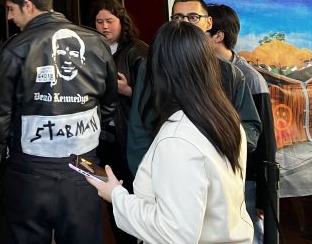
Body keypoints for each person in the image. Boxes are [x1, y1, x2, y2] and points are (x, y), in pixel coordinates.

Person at [87, 20, 254, 244]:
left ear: (158, 71)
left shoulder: (178, 139)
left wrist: (116, 196)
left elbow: (174, 234)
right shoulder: (224, 118)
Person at [0, 0, 117, 244]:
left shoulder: (13, 50)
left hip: (28, 173)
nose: (9, 17)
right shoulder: (97, 44)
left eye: (11, 10)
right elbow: (109, 105)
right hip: (85, 167)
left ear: (28, 6)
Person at [127, 0, 261, 174]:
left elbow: (250, 129)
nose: (185, 23)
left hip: (218, 173)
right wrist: (144, 175)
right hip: (166, 171)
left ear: (209, 23)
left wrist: (218, 142)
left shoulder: (230, 74)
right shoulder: (152, 68)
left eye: (193, 17)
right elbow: (139, 129)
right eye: (178, 18)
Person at [207, 3, 278, 244]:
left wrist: (262, 195)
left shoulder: (249, 77)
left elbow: (265, 136)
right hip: (213, 174)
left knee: (248, 235)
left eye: (203, 26)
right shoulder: (201, 72)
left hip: (244, 177)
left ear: (218, 35)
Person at [92, 0, 149, 244]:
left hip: (131, 140)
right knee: (111, 200)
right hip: (102, 139)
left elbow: (155, 98)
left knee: (135, 197)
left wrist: (129, 91)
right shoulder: (94, 50)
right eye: (99, 22)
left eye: (110, 21)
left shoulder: (139, 51)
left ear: (122, 22)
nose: (104, 27)